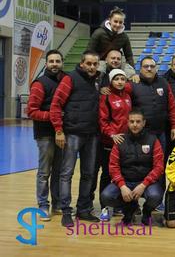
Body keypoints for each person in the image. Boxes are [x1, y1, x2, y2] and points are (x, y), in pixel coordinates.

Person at [50, 50, 101, 227]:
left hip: (92, 134)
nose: (92, 67)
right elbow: (56, 105)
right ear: (82, 64)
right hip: (72, 133)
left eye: (95, 64)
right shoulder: (69, 79)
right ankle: (65, 210)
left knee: (88, 174)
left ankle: (83, 209)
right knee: (66, 173)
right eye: (89, 63)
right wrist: (58, 130)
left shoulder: (97, 81)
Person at [100, 109, 164, 225]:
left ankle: (147, 212)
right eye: (132, 121)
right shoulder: (120, 141)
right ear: (128, 123)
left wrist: (143, 185)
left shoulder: (153, 140)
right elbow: (113, 167)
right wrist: (122, 186)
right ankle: (129, 209)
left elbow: (159, 167)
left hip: (146, 182)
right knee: (106, 196)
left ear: (144, 123)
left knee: (156, 196)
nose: (135, 125)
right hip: (125, 181)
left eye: (138, 122)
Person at [27, 49, 66, 221]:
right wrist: (53, 116)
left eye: (58, 61)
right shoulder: (40, 84)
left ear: (62, 63)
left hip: (62, 134)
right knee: (44, 172)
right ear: (46, 63)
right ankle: (43, 204)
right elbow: (31, 111)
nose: (55, 64)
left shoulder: (66, 80)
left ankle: (57, 204)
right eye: (51, 61)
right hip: (45, 135)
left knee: (58, 171)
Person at [97, 69, 132, 221]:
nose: (119, 81)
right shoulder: (106, 97)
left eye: (122, 79)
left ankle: (118, 205)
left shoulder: (128, 96)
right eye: (116, 79)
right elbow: (102, 120)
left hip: (125, 142)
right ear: (111, 81)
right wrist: (112, 134)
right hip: (109, 143)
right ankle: (104, 207)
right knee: (107, 174)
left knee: (122, 173)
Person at [129, 56, 175, 155]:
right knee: (143, 162)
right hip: (140, 133)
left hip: (161, 132)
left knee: (160, 159)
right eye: (146, 66)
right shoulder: (132, 84)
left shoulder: (163, 83)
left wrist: (174, 126)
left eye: (152, 66)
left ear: (156, 68)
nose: (149, 69)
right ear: (140, 69)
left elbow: (172, 106)